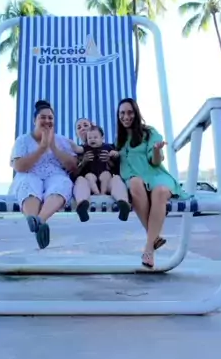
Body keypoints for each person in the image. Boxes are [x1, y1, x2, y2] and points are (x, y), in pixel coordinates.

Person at [108, 98, 181, 269]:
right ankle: (154, 237)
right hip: (134, 179)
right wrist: (112, 158)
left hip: (155, 175)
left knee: (160, 191)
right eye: (122, 113)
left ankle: (148, 248)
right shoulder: (119, 140)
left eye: (130, 112)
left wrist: (156, 150)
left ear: (136, 113)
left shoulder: (149, 133)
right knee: (134, 183)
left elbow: (155, 162)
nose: (126, 116)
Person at [9, 100, 77, 249]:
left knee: (63, 183)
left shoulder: (62, 140)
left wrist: (53, 147)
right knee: (28, 182)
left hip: (55, 176)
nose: (47, 121)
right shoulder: (23, 140)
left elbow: (73, 167)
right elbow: (19, 167)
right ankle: (32, 217)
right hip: (30, 174)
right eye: (43, 117)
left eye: (50, 118)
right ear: (35, 121)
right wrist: (41, 148)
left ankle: (40, 220)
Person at [69, 120, 131, 223]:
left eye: (85, 125)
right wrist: (83, 162)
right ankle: (82, 205)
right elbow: (72, 174)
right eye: (79, 127)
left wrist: (111, 160)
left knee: (116, 178)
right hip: (88, 184)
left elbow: (119, 162)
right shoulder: (80, 151)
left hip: (107, 182)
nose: (83, 128)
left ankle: (123, 203)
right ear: (77, 133)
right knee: (80, 179)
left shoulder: (108, 147)